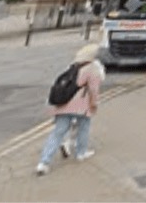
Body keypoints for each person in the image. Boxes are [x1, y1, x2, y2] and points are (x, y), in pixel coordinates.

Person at [36, 44, 103, 175]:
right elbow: (94, 90)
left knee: (57, 133)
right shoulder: (93, 69)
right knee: (83, 128)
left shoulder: (73, 68)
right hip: (82, 106)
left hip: (64, 104)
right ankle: (81, 153)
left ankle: (43, 162)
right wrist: (94, 104)